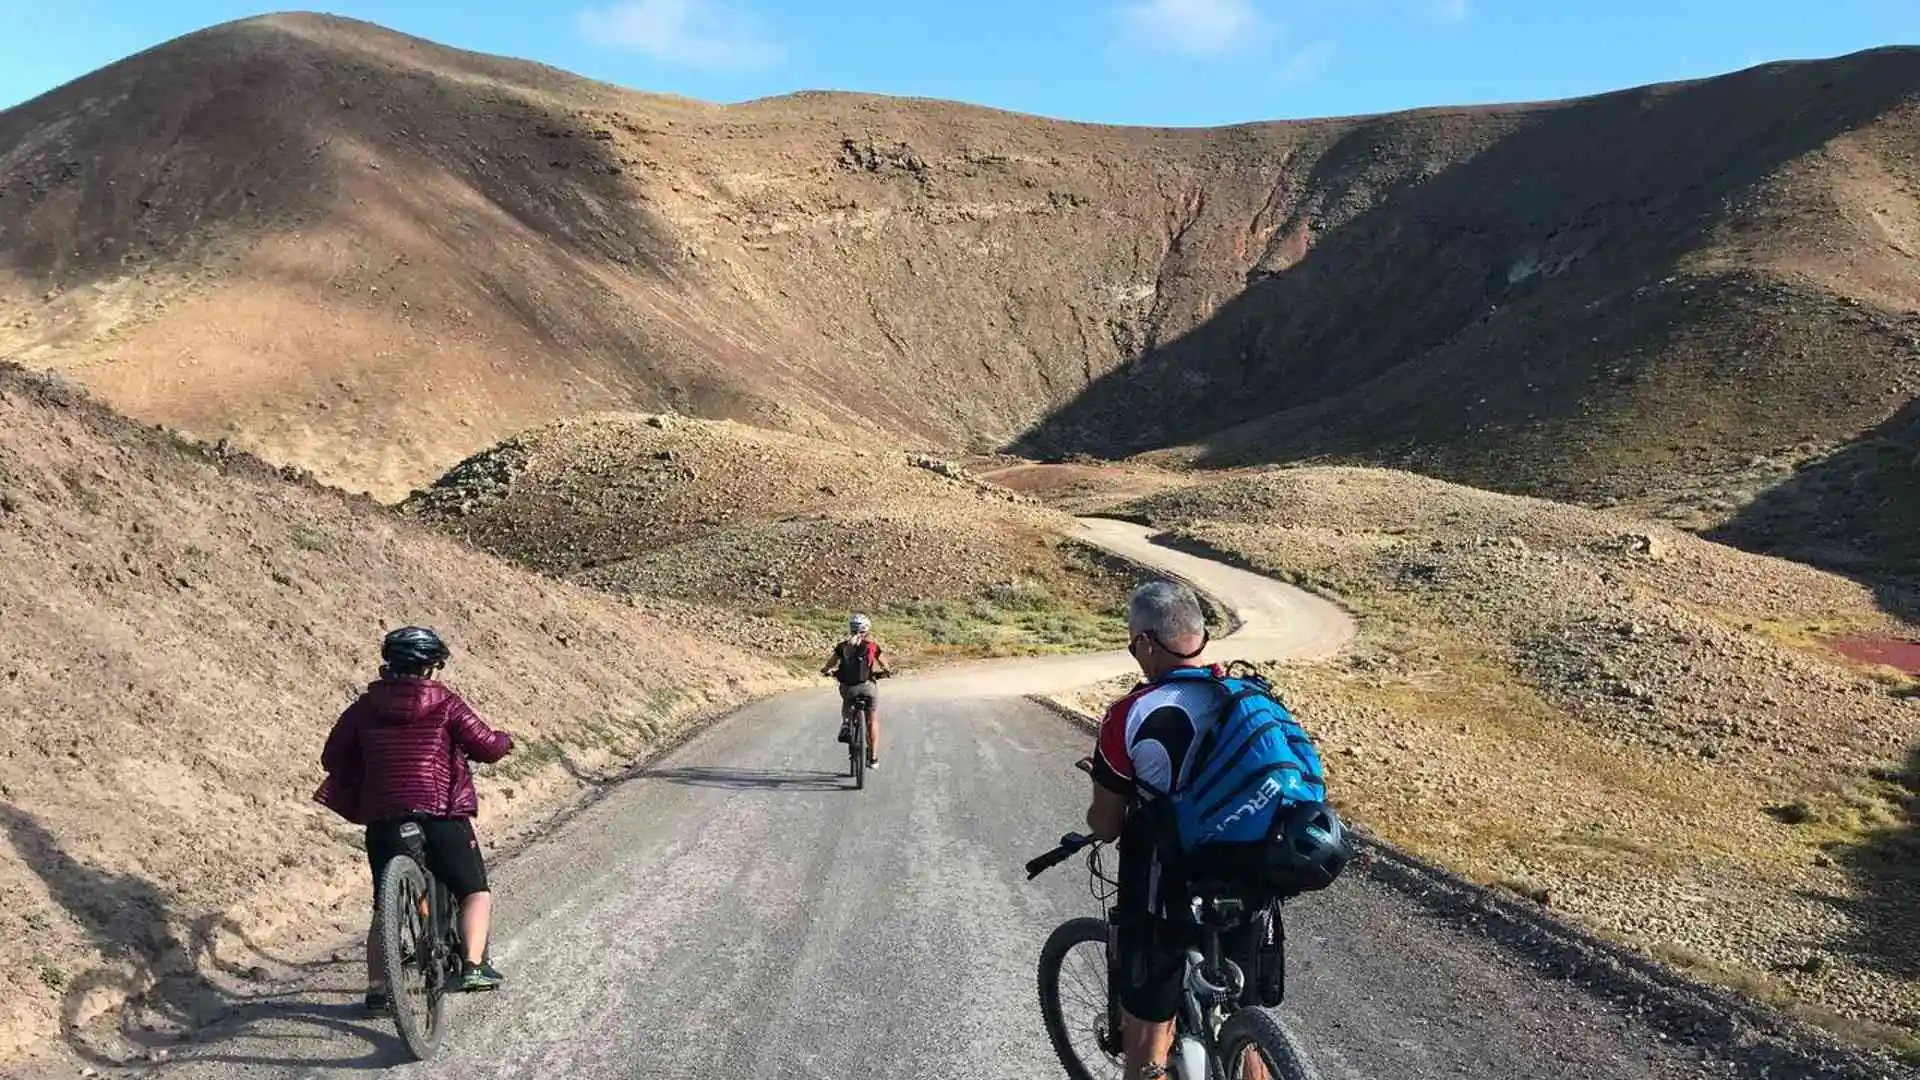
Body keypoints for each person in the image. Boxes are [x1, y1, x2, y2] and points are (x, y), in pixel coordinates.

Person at [1080, 581, 1270, 1080]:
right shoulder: (1247, 696)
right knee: (1243, 1024)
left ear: (1145, 643)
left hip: (1165, 890)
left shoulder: (1129, 714)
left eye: (1132, 643)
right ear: (1200, 636)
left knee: (1146, 1043)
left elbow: (1106, 823)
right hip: (1251, 879)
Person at [317, 626, 515, 1014]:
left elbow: (332, 758)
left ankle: (378, 990)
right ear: (431, 667)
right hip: (441, 814)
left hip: (385, 818)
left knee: (384, 907)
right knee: (474, 890)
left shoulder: (363, 708)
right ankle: (474, 966)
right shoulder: (447, 704)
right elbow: (487, 747)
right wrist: (505, 740)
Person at [820, 614, 890, 769]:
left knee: (847, 700)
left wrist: (825, 670)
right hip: (868, 687)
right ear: (867, 629)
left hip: (849, 688)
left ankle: (846, 723)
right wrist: (886, 672)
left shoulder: (843, 646)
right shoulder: (872, 646)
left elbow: (830, 664)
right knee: (872, 719)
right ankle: (873, 758)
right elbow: (885, 665)